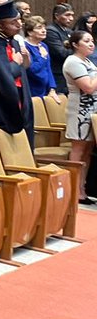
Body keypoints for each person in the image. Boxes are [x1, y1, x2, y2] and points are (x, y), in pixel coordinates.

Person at [0, 0, 34, 146]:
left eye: (19, 20)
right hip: (2, 105)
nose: (19, 25)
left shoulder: (13, 42)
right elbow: (0, 77)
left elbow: (23, 70)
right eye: (13, 22)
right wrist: (16, 63)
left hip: (20, 96)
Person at [62, 29, 97, 203]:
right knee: (79, 150)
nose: (91, 44)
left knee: (88, 152)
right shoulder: (73, 61)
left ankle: (82, 188)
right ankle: (73, 190)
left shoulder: (87, 61)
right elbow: (88, 87)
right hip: (80, 111)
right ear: (76, 45)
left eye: (92, 41)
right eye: (87, 41)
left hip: (92, 111)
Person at [23, 15, 62, 101]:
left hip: (46, 89)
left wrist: (52, 88)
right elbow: (31, 70)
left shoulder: (44, 46)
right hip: (32, 89)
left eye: (44, 27)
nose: (44, 30)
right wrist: (42, 57)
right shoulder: (24, 47)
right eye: (39, 28)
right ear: (30, 32)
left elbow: (48, 68)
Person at [46, 2, 75, 90]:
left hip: (68, 74)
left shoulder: (69, 32)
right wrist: (78, 51)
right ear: (57, 16)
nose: (71, 18)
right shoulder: (51, 31)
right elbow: (61, 53)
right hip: (57, 75)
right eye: (67, 15)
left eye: (72, 15)